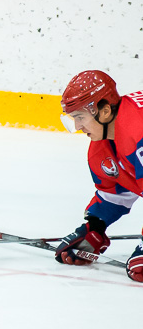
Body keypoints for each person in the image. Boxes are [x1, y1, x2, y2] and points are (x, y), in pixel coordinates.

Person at [55, 70, 143, 282]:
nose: (77, 127)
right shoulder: (101, 150)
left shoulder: (137, 131)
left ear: (104, 111)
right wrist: (95, 226)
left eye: (80, 118)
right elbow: (116, 193)